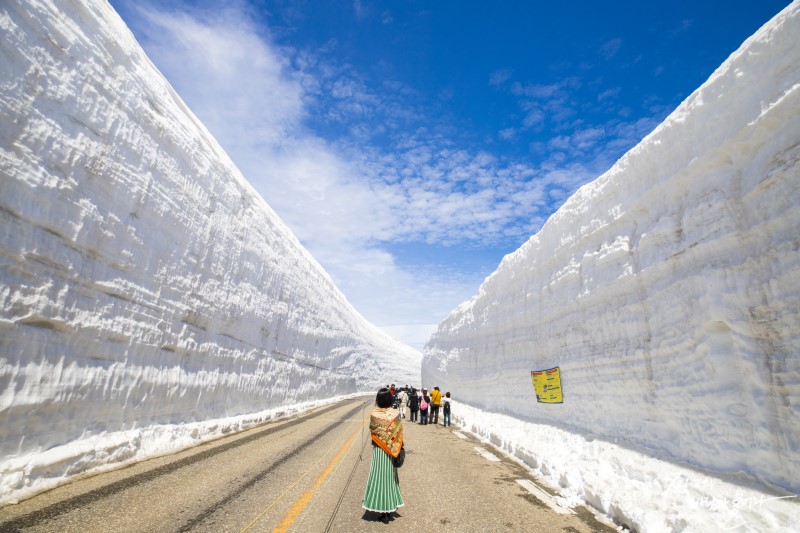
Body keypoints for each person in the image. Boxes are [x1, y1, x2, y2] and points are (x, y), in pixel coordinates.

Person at [363, 387, 405, 523]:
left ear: (378, 400)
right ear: (390, 399)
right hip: (391, 452)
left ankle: (380, 509)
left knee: (378, 478)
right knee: (390, 478)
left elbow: (374, 433)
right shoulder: (395, 414)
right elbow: (398, 434)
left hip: (379, 452)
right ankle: (389, 509)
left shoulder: (374, 414)